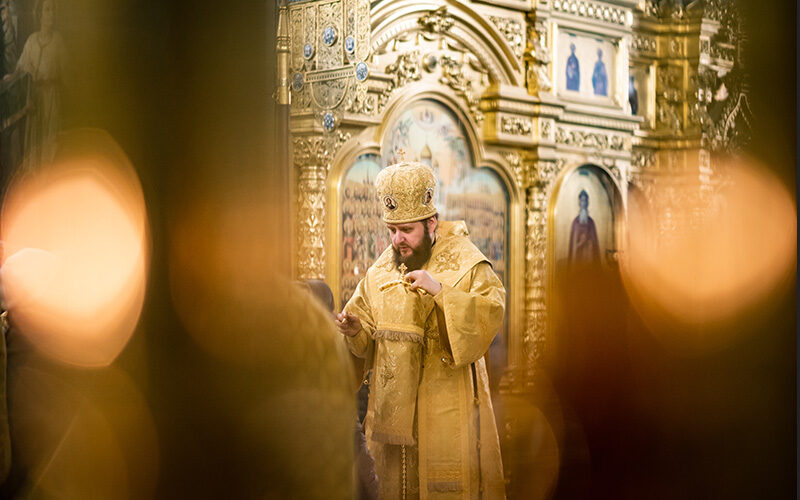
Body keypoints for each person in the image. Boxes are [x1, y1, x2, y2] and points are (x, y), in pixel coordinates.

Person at [335, 160, 506, 499]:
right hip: (391, 428)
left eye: (406, 230)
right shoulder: (381, 270)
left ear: (431, 223)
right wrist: (356, 330)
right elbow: (365, 337)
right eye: (391, 230)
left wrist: (442, 293)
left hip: (446, 417)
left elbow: (492, 309)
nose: (397, 240)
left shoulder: (466, 260)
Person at [568, 189, 600, 265]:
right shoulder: (575, 223)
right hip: (577, 262)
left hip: (589, 261)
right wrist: (580, 243)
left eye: (585, 201)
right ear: (579, 203)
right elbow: (573, 248)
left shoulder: (591, 222)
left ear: (587, 203)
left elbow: (595, 246)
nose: (583, 203)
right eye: (582, 201)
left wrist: (588, 242)